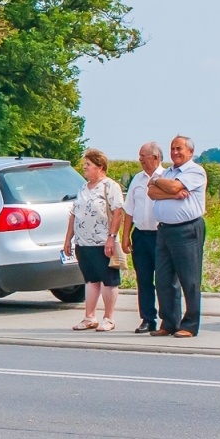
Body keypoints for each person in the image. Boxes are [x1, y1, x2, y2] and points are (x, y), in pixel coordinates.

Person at [148, 135, 208, 338]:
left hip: (187, 230)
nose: (175, 152)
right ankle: (169, 322)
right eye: (172, 148)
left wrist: (163, 184)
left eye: (179, 149)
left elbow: (172, 186)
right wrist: (171, 192)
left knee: (189, 279)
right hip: (164, 230)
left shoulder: (195, 171)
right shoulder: (168, 172)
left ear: (190, 152)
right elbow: (151, 192)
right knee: (164, 279)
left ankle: (190, 324)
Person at [63, 149, 125, 331]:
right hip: (84, 242)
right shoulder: (83, 188)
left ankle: (109, 318)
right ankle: (89, 316)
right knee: (90, 279)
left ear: (100, 167)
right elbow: (74, 214)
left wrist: (111, 238)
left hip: (102, 241)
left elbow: (117, 213)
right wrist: (68, 239)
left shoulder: (109, 186)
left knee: (108, 279)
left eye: (88, 165)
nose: (85, 168)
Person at [121, 142, 165, 334]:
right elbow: (129, 210)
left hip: (161, 235)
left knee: (164, 279)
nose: (140, 159)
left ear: (155, 158)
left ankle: (168, 318)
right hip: (141, 235)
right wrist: (125, 236)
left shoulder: (167, 177)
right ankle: (148, 319)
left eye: (143, 156)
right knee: (144, 279)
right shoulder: (137, 180)